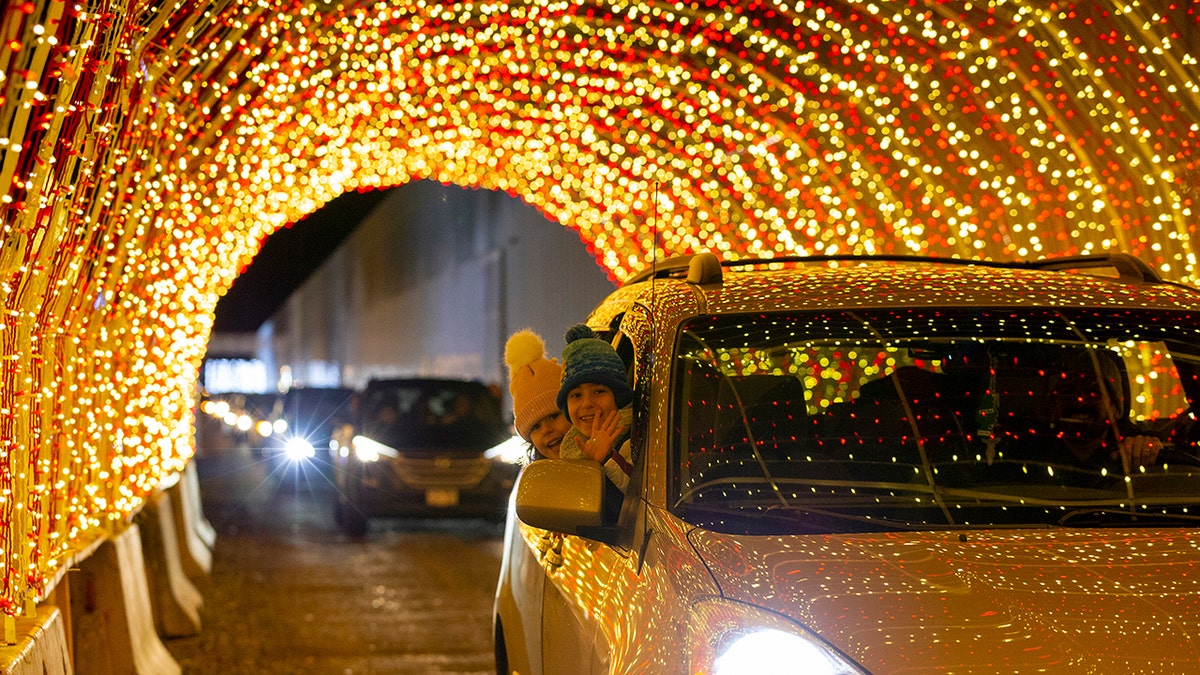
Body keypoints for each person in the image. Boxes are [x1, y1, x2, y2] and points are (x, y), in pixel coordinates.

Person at [556, 324, 635, 490]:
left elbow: (638, 501)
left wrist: (606, 459)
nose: (587, 403)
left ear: (618, 397)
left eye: (599, 391)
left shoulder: (635, 441)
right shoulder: (570, 447)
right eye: (576, 395)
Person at [504, 328, 572, 460]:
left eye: (553, 416)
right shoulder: (537, 477)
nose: (546, 430)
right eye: (536, 427)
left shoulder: (608, 456)